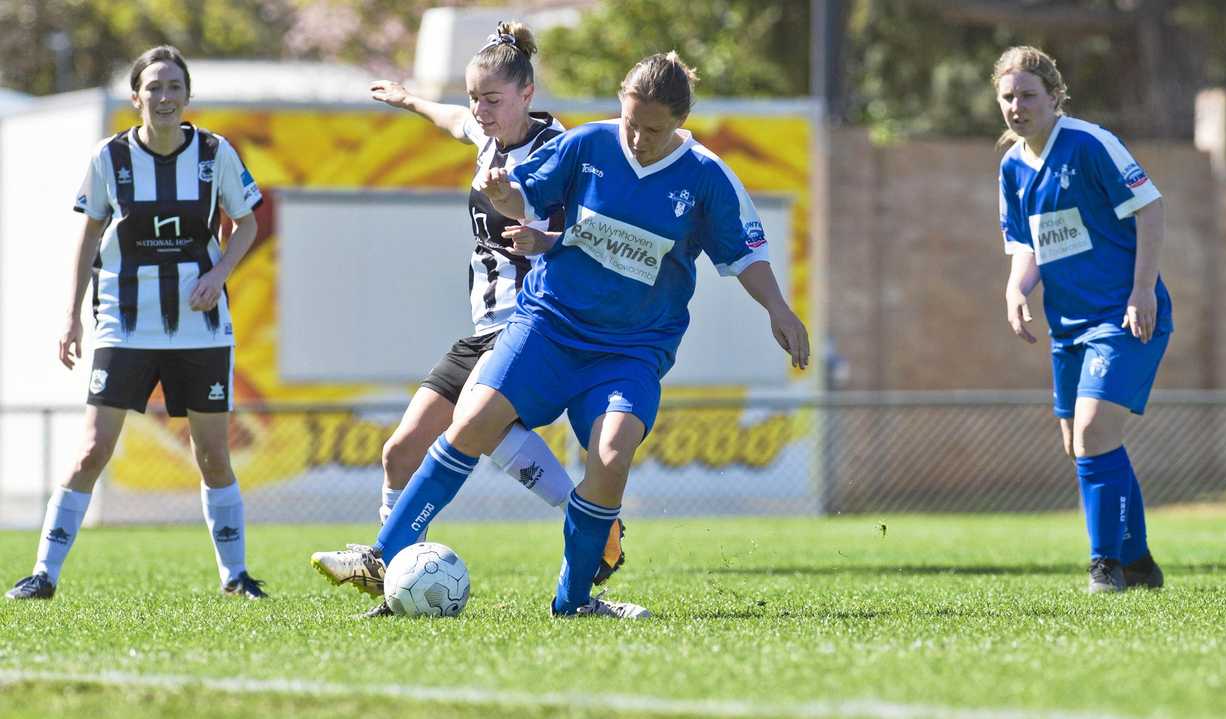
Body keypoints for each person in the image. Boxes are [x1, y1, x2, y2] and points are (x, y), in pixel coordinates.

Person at [313, 50, 809, 619]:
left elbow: (746, 253)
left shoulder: (706, 177)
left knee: (612, 455)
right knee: (472, 420)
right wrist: (505, 196)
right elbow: (526, 195)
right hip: (548, 324)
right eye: (630, 122)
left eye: (653, 129)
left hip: (631, 350)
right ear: (620, 104)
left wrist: (778, 308)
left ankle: (574, 602)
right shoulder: (587, 145)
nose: (639, 139)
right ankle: (382, 557)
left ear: (679, 122)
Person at [310, 22, 624, 614]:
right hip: (479, 329)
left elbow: (594, 231)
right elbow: (449, 119)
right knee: (401, 451)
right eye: (474, 97)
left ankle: (598, 526)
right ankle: (398, 576)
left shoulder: (562, 151)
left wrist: (547, 237)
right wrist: (408, 101)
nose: (478, 110)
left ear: (527, 95)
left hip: (532, 324)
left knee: (488, 431)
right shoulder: (486, 137)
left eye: (491, 99)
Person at [5, 46, 267, 600]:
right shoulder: (110, 158)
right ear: (136, 98)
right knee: (91, 451)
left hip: (200, 327)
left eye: (174, 86)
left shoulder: (215, 153)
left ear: (187, 96)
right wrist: (70, 316)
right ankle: (44, 574)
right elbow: (86, 236)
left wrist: (219, 273)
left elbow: (246, 224)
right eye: (154, 87)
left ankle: (235, 577)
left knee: (213, 455)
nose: (165, 97)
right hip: (123, 324)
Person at [994, 46, 1168, 593]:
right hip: (1068, 327)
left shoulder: (1091, 144)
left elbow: (1150, 207)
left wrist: (1143, 290)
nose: (1017, 106)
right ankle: (1139, 563)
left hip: (1122, 317)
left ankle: (1105, 568)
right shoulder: (1013, 166)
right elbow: (1027, 244)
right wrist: (1016, 289)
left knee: (1093, 433)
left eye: (1027, 95)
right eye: (1008, 97)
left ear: (1054, 96)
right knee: (1080, 442)